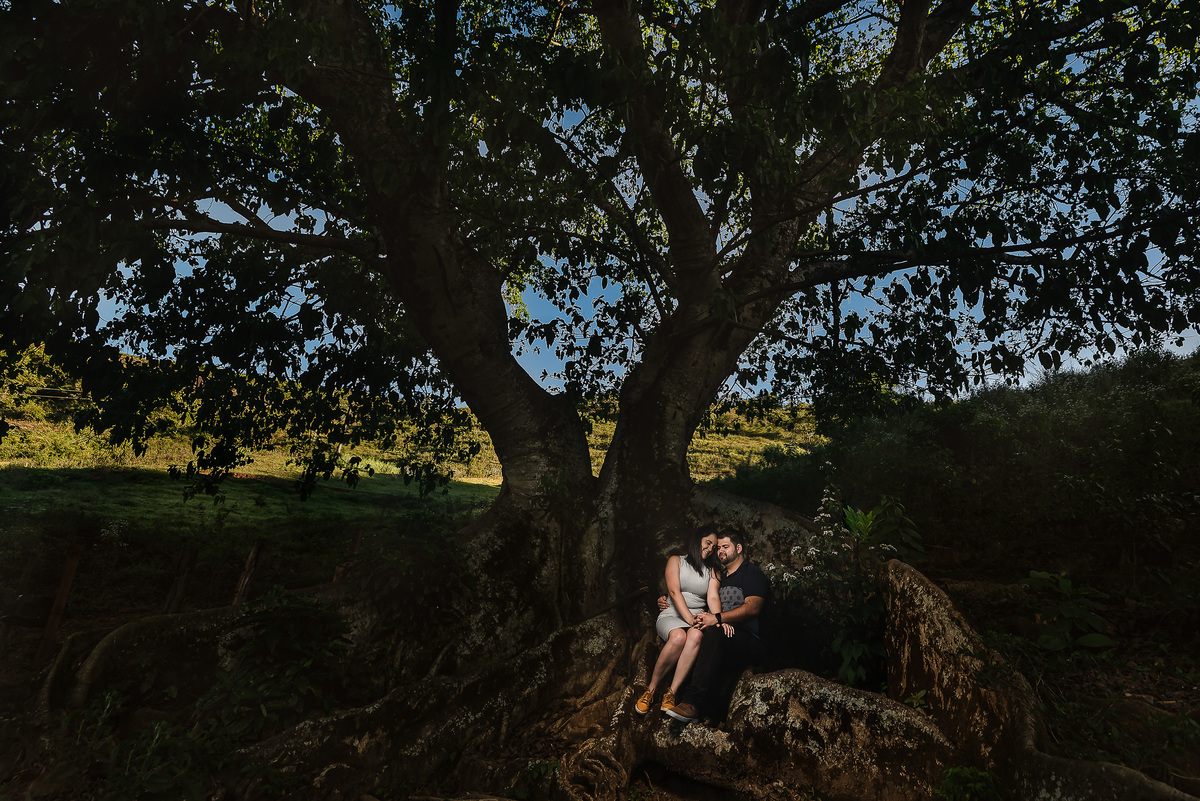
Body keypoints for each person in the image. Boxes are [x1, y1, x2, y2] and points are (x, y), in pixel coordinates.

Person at [665, 528, 771, 724]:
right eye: (718, 548)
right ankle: (686, 703)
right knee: (697, 636)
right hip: (724, 633)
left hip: (750, 639)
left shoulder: (751, 573)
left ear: (738, 548)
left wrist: (719, 619)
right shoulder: (719, 577)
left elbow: (753, 608)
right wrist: (665, 601)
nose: (720, 550)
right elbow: (700, 601)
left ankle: (692, 703)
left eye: (725, 546)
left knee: (713, 634)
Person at [635, 526, 723, 715]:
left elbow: (713, 598)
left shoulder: (713, 571)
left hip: (696, 617)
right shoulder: (676, 561)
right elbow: (674, 592)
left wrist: (718, 618)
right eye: (708, 542)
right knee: (678, 638)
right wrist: (689, 619)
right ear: (698, 539)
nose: (710, 548)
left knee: (695, 637)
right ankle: (650, 690)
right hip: (672, 614)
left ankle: (671, 693)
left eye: (714, 547)